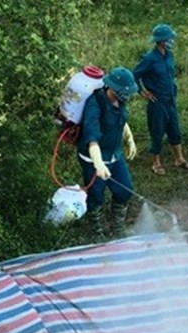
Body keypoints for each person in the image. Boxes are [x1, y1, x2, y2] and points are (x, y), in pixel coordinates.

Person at [77, 66, 138, 240]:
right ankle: (96, 231)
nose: (127, 96)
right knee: (96, 195)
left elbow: (121, 120)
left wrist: (129, 138)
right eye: (123, 92)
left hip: (114, 155)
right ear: (112, 88)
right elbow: (92, 138)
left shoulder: (120, 100)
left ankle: (117, 226)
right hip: (92, 158)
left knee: (125, 190)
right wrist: (98, 163)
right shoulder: (94, 104)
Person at [133, 23, 188, 176]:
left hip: (170, 99)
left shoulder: (169, 55)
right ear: (161, 41)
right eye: (169, 39)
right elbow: (134, 74)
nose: (171, 41)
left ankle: (179, 159)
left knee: (175, 129)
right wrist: (142, 92)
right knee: (157, 131)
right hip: (157, 101)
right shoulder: (149, 59)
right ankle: (156, 163)